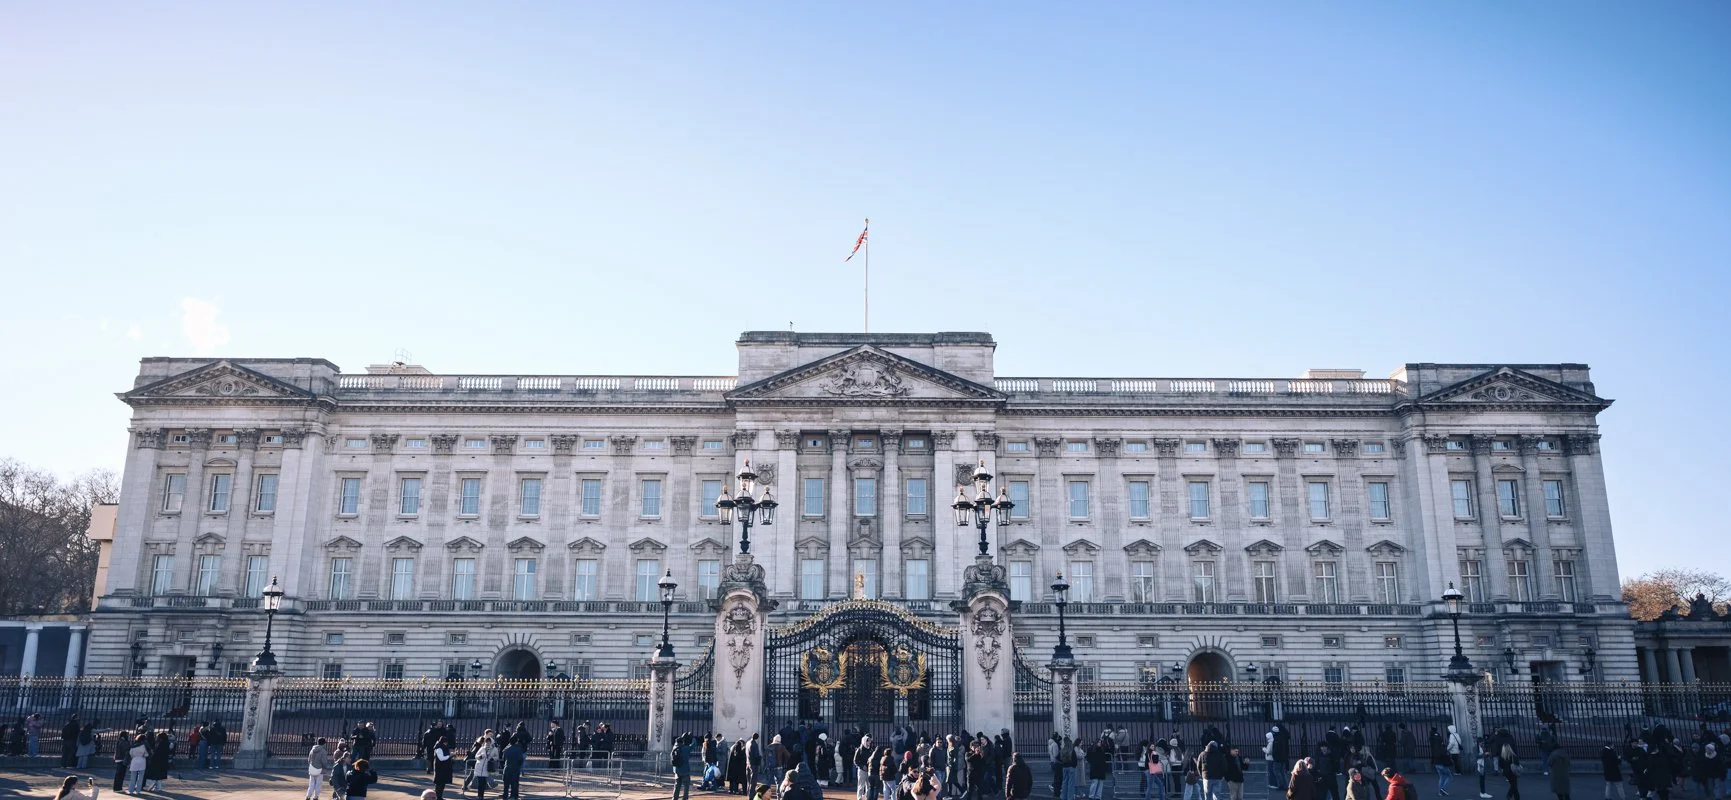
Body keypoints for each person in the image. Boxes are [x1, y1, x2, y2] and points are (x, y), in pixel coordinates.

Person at [470, 736, 498, 800]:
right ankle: (479, 796)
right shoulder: (482, 748)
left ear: (491, 742)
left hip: (487, 768)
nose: (488, 743)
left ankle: (481, 796)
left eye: (489, 742)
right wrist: (480, 757)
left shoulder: (494, 749)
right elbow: (476, 756)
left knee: (483, 783)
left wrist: (492, 759)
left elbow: (497, 757)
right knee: (480, 783)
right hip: (479, 767)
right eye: (487, 742)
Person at [502, 736, 527, 800]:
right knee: (514, 784)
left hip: (507, 768)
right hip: (515, 769)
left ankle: (505, 796)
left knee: (506, 785)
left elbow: (503, 759)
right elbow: (521, 760)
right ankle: (513, 796)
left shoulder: (507, 749)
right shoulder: (518, 750)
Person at [1432, 728, 1454, 797]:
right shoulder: (1442, 747)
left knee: (1441, 777)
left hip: (1436, 764)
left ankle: (1440, 792)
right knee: (1449, 777)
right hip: (1442, 764)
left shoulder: (1434, 747)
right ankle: (1443, 789)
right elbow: (1445, 756)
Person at [671, 733, 694, 800]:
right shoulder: (685, 748)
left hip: (676, 770)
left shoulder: (674, 748)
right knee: (686, 786)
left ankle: (674, 798)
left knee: (677, 785)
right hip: (685, 770)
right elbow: (693, 745)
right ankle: (685, 798)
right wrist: (693, 738)